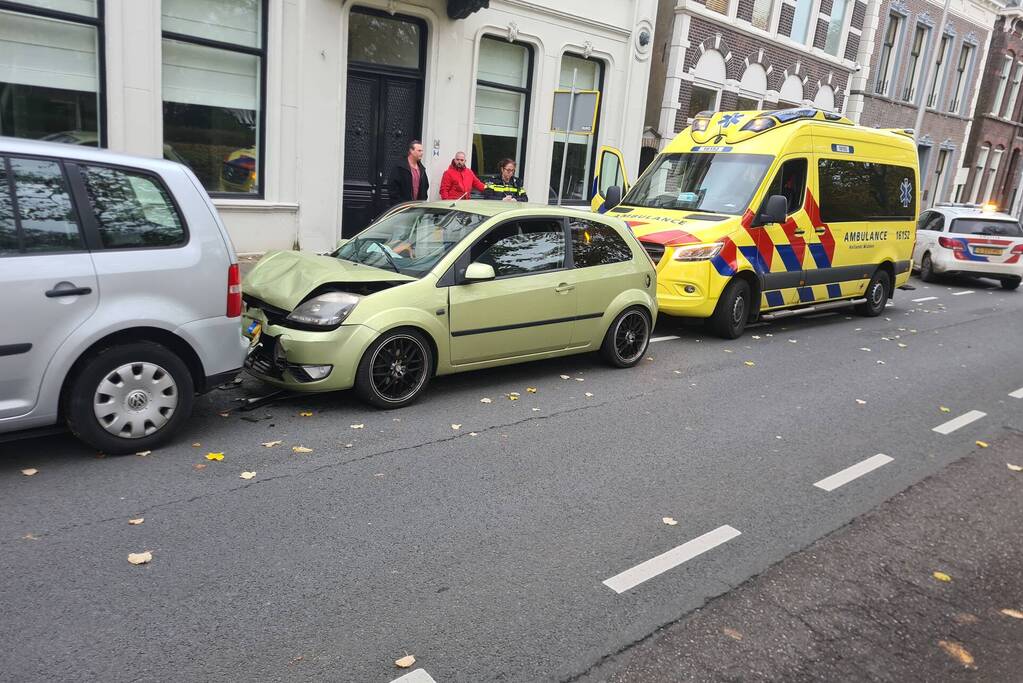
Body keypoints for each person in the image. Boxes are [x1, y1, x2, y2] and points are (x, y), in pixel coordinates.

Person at [387, 140, 429, 206]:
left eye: (422, 151)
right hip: (402, 207)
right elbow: (393, 187)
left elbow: (425, 187)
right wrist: (399, 203)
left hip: (417, 208)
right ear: (411, 151)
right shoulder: (400, 167)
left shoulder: (422, 169)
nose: (422, 153)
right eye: (419, 151)